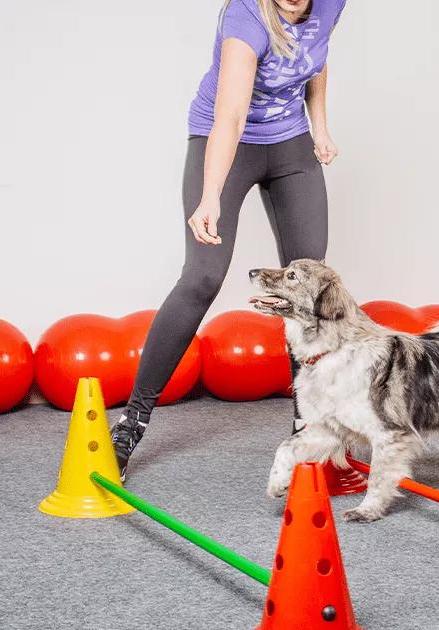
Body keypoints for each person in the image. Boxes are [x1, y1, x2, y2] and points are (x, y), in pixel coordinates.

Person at [111, 0, 346, 480]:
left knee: (309, 288)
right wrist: (211, 194)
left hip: (291, 146)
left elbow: (316, 56)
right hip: (227, 141)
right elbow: (232, 116)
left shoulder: (331, 3)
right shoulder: (245, 16)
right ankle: (131, 422)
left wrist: (319, 125)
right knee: (201, 278)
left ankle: (307, 429)